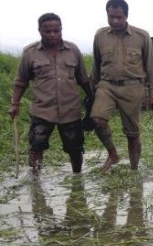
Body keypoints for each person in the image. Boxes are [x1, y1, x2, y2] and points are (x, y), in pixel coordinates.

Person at [7, 13, 93, 175]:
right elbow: (21, 81)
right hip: (42, 110)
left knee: (75, 149)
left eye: (56, 30)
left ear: (61, 29)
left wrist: (92, 98)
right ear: (39, 31)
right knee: (36, 146)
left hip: (70, 110)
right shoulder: (30, 53)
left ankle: (77, 177)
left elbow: (82, 78)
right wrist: (15, 103)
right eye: (47, 31)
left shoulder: (72, 50)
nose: (52, 35)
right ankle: (35, 181)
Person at [91, 0, 153, 171]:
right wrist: (92, 92)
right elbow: (96, 65)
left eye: (119, 17)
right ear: (107, 15)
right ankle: (113, 154)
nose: (115, 21)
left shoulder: (141, 36)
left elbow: (151, 67)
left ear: (126, 16)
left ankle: (134, 168)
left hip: (132, 87)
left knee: (132, 134)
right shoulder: (100, 35)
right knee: (97, 120)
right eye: (111, 17)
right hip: (107, 86)